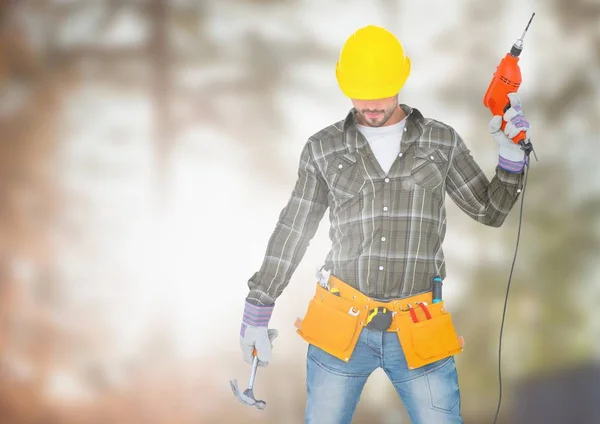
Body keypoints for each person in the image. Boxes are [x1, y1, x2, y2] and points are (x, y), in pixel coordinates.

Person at [238, 25, 530, 424]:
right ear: (344, 84)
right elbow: (294, 229)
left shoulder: (440, 142)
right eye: (362, 95)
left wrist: (511, 158)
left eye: (382, 93)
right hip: (340, 321)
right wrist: (258, 309)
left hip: (419, 325)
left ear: (402, 79)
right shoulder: (323, 148)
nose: (372, 105)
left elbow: (490, 212)